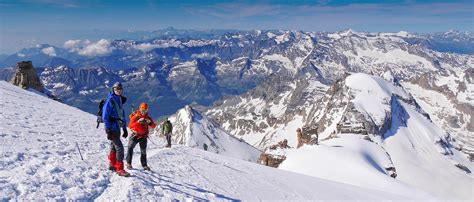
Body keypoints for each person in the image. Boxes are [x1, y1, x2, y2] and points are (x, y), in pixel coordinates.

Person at [102, 82, 130, 177]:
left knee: (114, 147)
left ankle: (112, 164)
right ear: (113, 89)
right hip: (112, 128)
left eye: (120, 89)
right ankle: (120, 169)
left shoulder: (119, 100)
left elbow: (122, 115)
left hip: (117, 127)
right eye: (116, 89)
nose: (118, 90)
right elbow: (105, 116)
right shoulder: (110, 100)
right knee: (120, 148)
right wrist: (108, 128)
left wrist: (124, 128)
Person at [126, 102, 156, 171]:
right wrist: (138, 122)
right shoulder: (136, 116)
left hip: (143, 136)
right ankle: (129, 163)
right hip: (135, 135)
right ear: (140, 109)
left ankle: (144, 165)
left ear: (147, 110)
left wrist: (150, 123)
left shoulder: (148, 118)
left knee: (143, 151)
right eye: (142, 110)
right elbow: (130, 126)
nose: (144, 112)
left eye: (145, 110)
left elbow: (154, 126)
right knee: (130, 148)